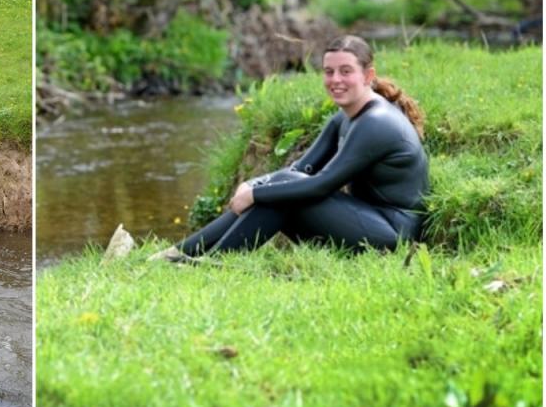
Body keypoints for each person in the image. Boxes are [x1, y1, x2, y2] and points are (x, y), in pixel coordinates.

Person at [152, 35, 429, 262]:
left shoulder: (376, 122)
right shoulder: (344, 118)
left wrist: (255, 192)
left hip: (393, 235)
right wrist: (254, 184)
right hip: (364, 220)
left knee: (282, 191)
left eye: (346, 71)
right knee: (283, 189)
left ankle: (205, 263)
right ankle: (180, 254)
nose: (335, 80)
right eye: (329, 71)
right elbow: (301, 169)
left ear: (368, 75)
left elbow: (321, 184)